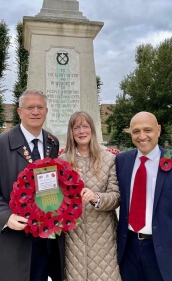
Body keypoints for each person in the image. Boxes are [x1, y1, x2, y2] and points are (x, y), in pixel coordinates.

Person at [0, 90, 64, 281]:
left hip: (45, 237)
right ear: (19, 112)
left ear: (46, 111)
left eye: (40, 107)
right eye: (30, 107)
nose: (35, 112)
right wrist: (5, 216)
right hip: (14, 236)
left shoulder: (52, 142)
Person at [116, 111, 172, 281]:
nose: (142, 136)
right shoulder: (122, 161)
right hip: (129, 248)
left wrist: (171, 230)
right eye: (136, 131)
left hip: (166, 249)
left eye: (147, 130)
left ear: (158, 130)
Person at [59, 111, 121, 281]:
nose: (81, 131)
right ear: (71, 132)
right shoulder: (62, 161)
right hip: (73, 237)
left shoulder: (109, 159)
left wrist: (96, 197)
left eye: (85, 126)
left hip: (104, 237)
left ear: (92, 129)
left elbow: (116, 197)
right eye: (76, 127)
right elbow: (55, 201)